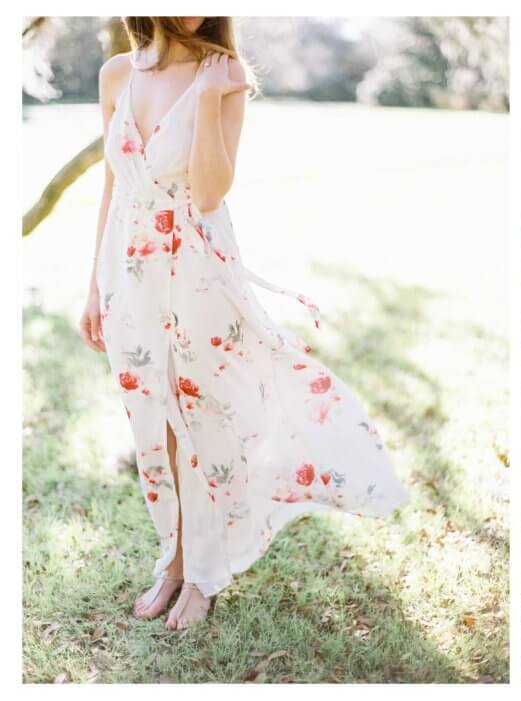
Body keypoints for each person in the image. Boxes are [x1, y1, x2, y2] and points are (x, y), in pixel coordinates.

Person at [79, 17, 409, 630]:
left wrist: (206, 99)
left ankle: (204, 574)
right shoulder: (116, 73)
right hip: (129, 270)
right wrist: (94, 287)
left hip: (197, 268)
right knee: (152, 423)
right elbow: (112, 184)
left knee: (203, 417)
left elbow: (208, 193)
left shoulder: (223, 76)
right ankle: (173, 561)